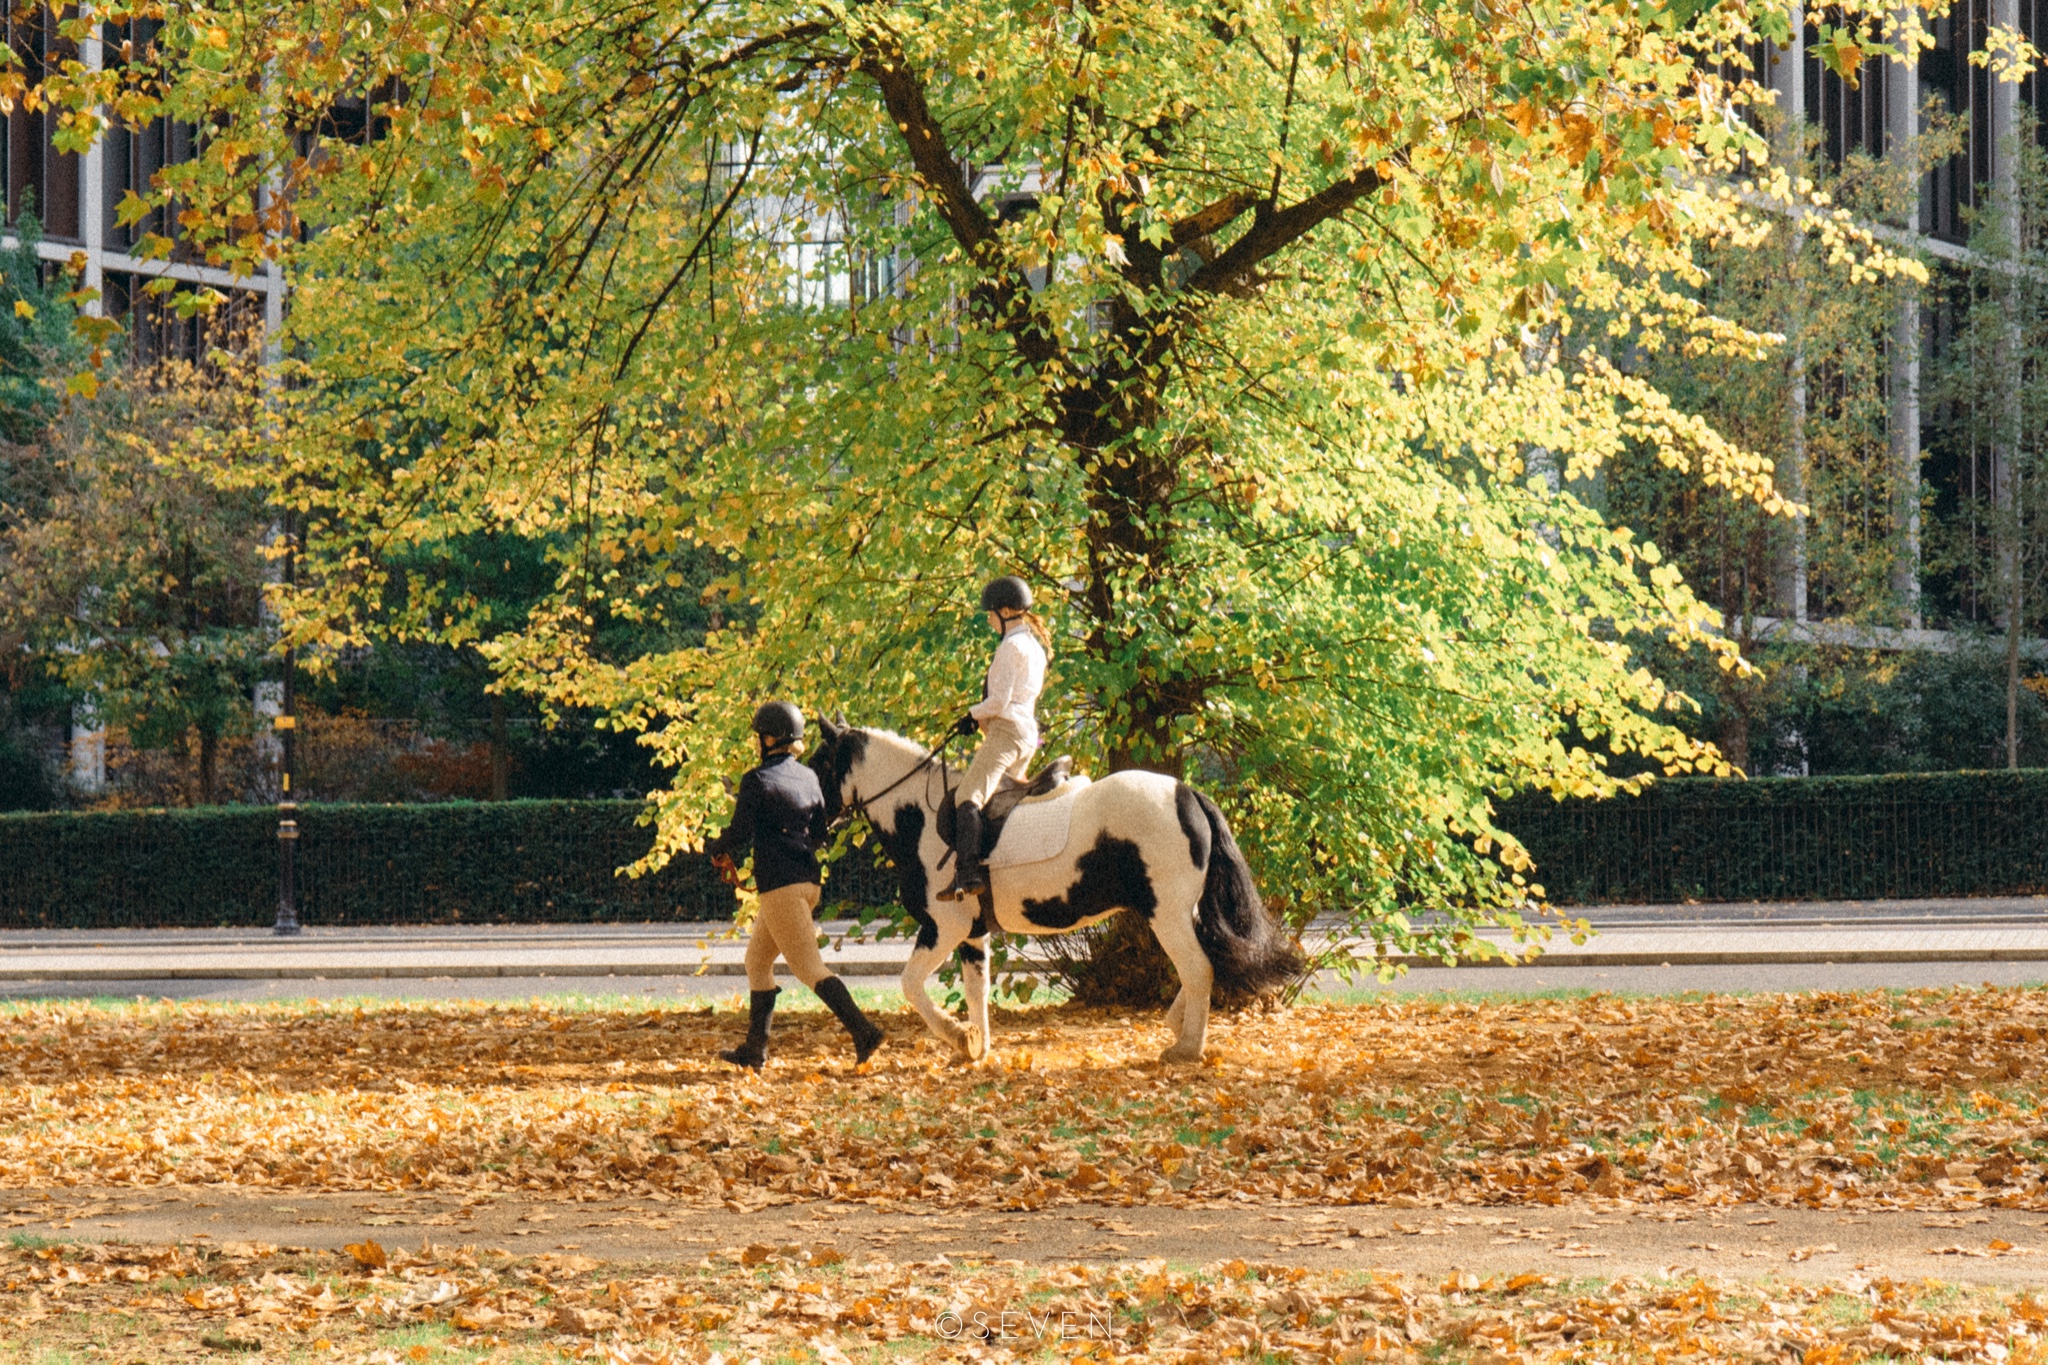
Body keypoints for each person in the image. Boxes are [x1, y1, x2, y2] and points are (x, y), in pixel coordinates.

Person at [705, 701, 885, 1069]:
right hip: (806, 883)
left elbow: (738, 833)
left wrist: (715, 849)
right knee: (757, 961)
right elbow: (819, 834)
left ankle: (865, 1032)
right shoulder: (809, 779)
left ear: (770, 738)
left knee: (808, 968)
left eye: (760, 735)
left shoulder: (756, 781)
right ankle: (755, 1050)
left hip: (781, 887)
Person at [939, 576, 1052, 901]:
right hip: (1027, 733)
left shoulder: (1009, 647)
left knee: (968, 797)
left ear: (1005, 611)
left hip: (1006, 731)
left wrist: (970, 715)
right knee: (1001, 805)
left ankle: (968, 873)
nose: (989, 621)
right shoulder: (1034, 646)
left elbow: (999, 702)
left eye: (990, 614)